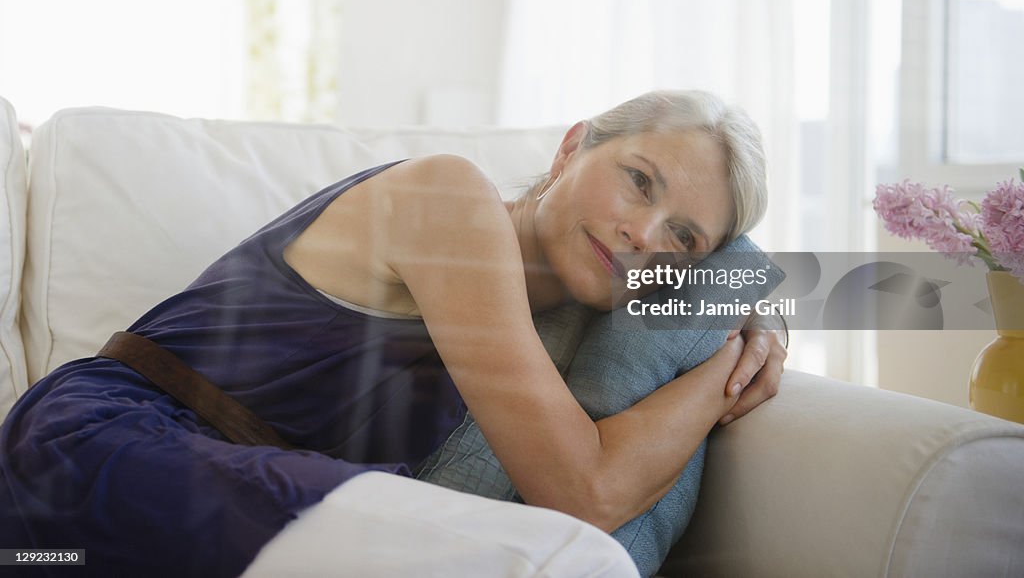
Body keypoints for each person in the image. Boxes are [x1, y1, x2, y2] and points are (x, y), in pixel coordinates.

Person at [0, 89, 785, 577]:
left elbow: (758, 278)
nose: (644, 232)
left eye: (683, 238)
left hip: (248, 493)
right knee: (571, 565)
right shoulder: (448, 199)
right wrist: (728, 372)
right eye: (638, 180)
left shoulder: (555, 318)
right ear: (572, 145)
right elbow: (583, 495)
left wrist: (752, 303)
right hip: (107, 451)